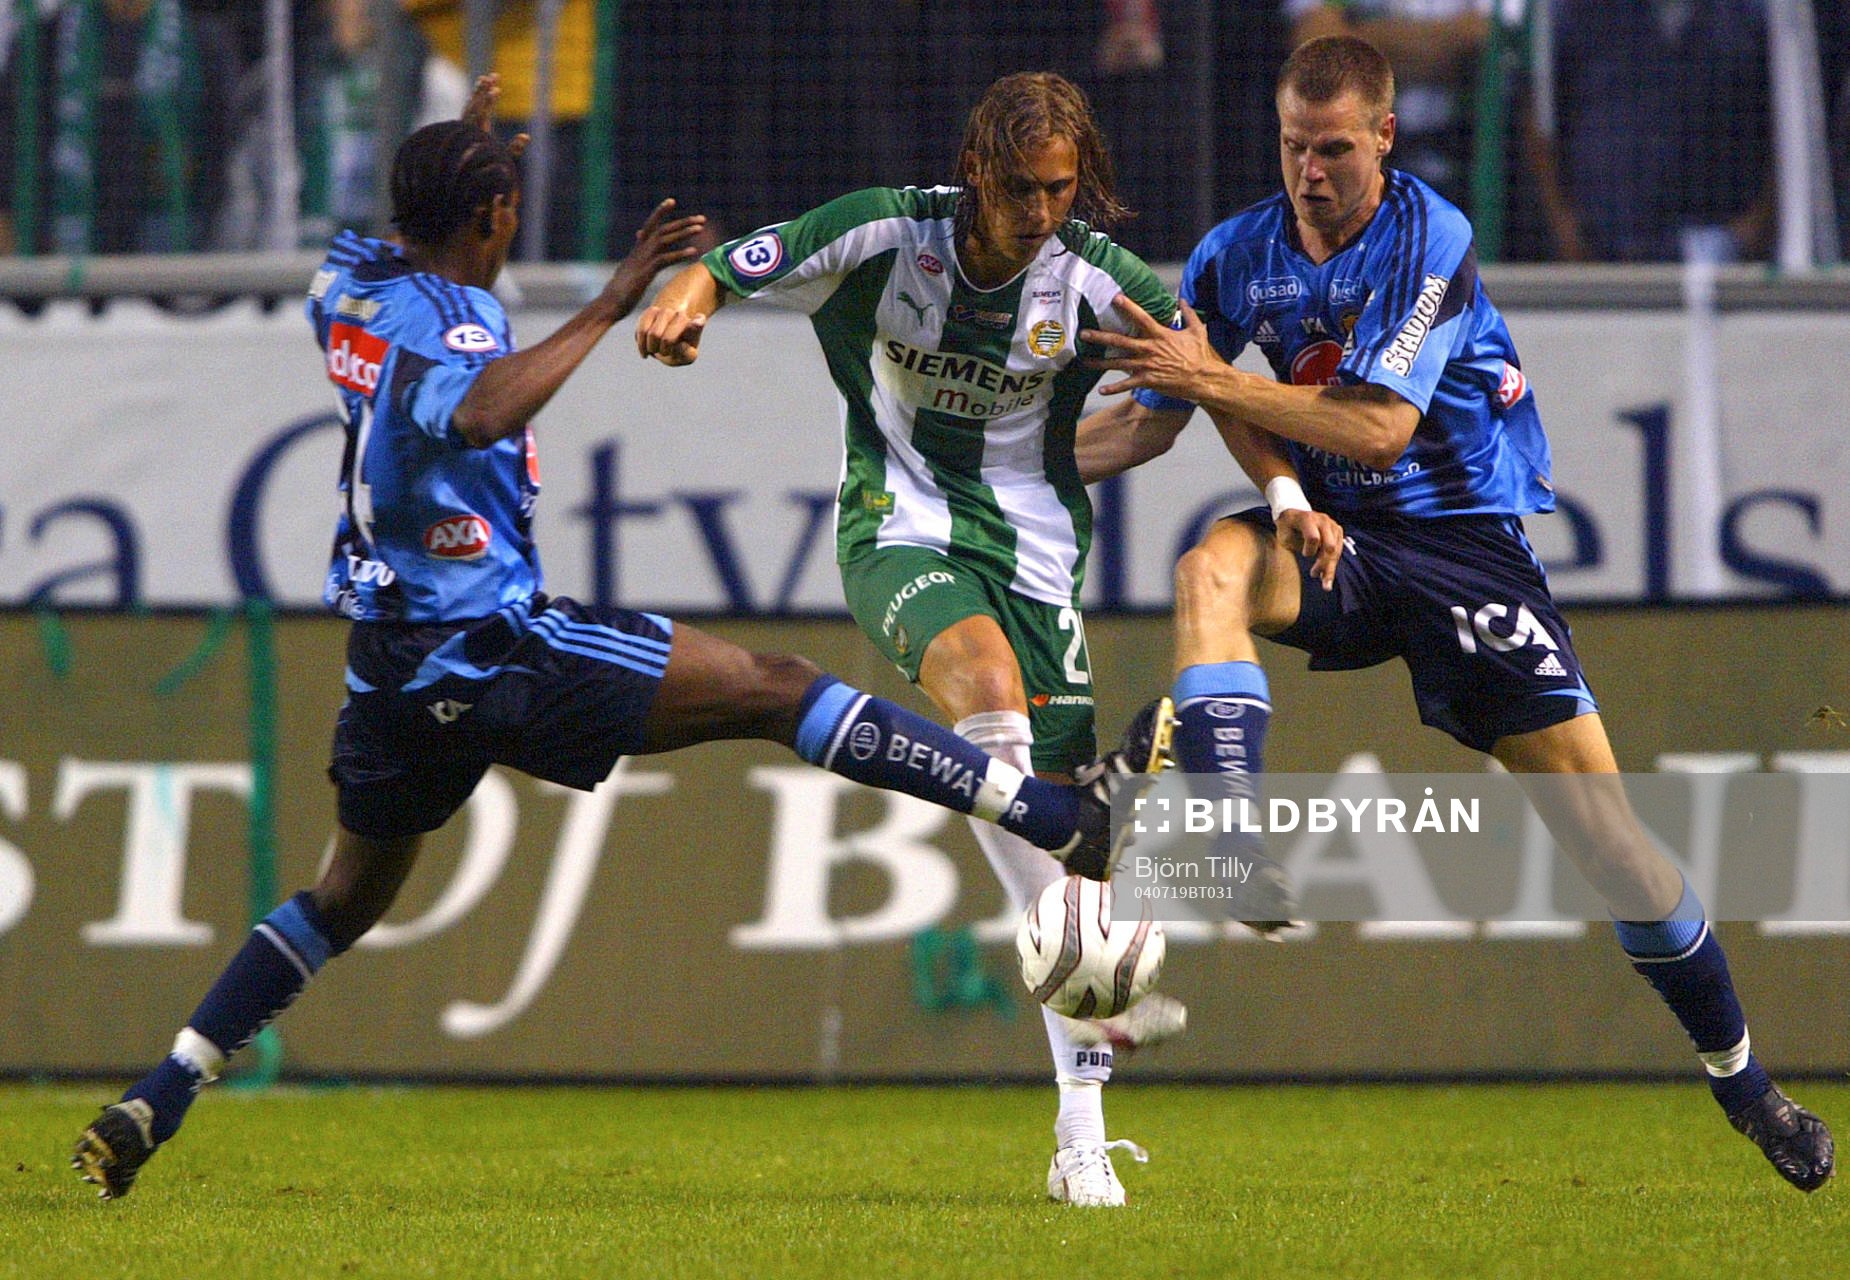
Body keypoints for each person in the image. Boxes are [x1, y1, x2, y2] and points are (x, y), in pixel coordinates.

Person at [71, 74, 1128, 1203]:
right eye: (505, 207)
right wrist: (613, 299)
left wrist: (464, 152)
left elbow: (416, 238)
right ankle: (1054, 814)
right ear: (490, 220)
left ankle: (162, 1088)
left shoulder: (347, 283)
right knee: (778, 687)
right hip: (491, 644)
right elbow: (481, 408)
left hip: (385, 664)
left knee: (343, 898)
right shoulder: (463, 325)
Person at [1074, 35, 1834, 1192]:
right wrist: (1006, 464)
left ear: (1383, 136)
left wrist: (1213, 379)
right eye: (1292, 146)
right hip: (1329, 539)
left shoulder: (1428, 237)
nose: (1308, 172)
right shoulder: (1235, 252)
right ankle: (1228, 834)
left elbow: (1375, 427)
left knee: (1612, 848)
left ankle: (1741, 1080)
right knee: (1206, 572)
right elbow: (1164, 412)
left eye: (1333, 149)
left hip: (1461, 549)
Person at [636, 71, 1186, 1208]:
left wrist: (1072, 458)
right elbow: (727, 265)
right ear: (975, 170)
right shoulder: (885, 233)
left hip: (1036, 552)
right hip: (897, 524)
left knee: (1062, 831)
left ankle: (1077, 1133)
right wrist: (683, 305)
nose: (1041, 211)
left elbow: (1182, 386)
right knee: (993, 697)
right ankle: (1084, 951)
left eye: (1060, 189)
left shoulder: (1096, 281)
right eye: (1021, 187)